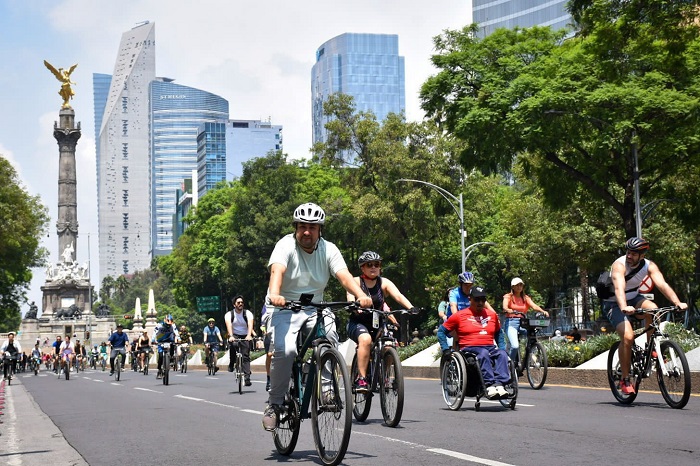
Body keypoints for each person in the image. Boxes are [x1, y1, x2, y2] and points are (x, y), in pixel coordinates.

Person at [262, 202, 373, 431]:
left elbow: (343, 275)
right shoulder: (285, 245)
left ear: (319, 230)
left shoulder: (328, 249)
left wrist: (361, 294)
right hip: (283, 307)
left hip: (315, 307)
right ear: (296, 227)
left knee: (330, 337)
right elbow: (277, 271)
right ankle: (274, 404)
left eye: (312, 227)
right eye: (302, 226)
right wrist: (274, 294)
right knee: (287, 350)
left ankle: (327, 391)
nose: (306, 232)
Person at [603, 237, 687, 395]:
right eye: (628, 252)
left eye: (634, 254)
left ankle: (651, 347)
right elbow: (619, 289)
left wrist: (677, 302)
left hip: (635, 298)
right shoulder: (619, 265)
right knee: (628, 337)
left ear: (642, 255)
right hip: (614, 304)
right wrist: (624, 307)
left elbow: (662, 285)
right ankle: (625, 379)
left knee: (654, 310)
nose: (629, 256)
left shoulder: (649, 265)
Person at [346, 251, 416, 393]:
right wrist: (354, 306)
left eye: (376, 265)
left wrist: (411, 308)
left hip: (377, 323)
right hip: (358, 322)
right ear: (362, 268)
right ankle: (362, 379)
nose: (373, 267)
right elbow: (350, 296)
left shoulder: (384, 282)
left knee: (389, 343)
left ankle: (384, 376)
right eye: (369, 265)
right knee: (365, 340)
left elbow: (398, 295)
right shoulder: (355, 282)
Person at [437, 286, 510, 399]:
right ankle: (489, 384)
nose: (480, 302)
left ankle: (500, 384)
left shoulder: (491, 315)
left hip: (489, 347)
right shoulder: (459, 316)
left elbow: (499, 333)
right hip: (470, 348)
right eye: (477, 299)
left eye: (483, 299)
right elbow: (441, 332)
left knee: (502, 354)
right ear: (470, 299)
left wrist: (502, 347)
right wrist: (446, 349)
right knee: (483, 353)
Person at [502, 277, 549, 366]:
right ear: (512, 287)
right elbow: (504, 306)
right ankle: (509, 365)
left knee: (532, 336)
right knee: (515, 346)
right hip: (511, 323)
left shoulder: (525, 298)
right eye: (517, 285)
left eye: (521, 285)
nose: (519, 287)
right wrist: (508, 310)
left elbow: (534, 306)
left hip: (523, 322)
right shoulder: (508, 296)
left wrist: (542, 311)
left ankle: (532, 356)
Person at [224, 295, 254, 385]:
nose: (240, 304)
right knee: (233, 345)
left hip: (245, 335)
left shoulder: (248, 313)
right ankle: (232, 362)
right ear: (234, 305)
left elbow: (250, 324)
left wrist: (249, 335)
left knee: (246, 356)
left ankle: (247, 378)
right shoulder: (229, 314)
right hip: (235, 334)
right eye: (238, 303)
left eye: (242, 302)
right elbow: (229, 325)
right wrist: (231, 336)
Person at [259, 304, 272, 391]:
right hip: (270, 334)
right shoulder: (267, 305)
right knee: (270, 355)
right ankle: (269, 378)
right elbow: (263, 322)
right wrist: (264, 330)